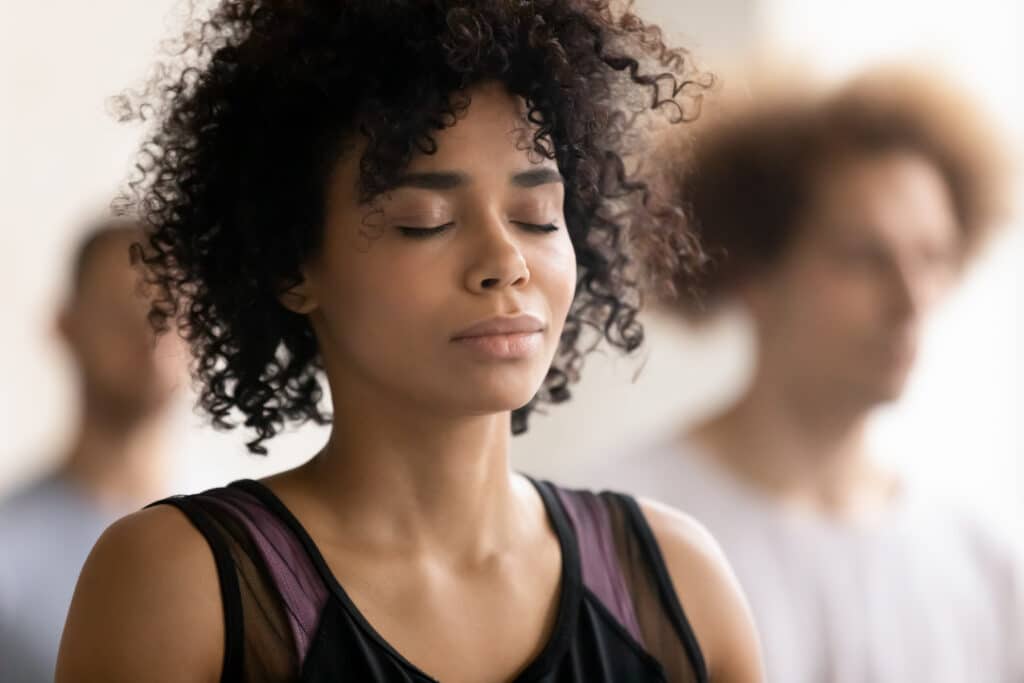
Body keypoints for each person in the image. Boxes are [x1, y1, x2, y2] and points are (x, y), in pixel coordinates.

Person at [56, 2, 764, 681]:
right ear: (291, 266)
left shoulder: (679, 590)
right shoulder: (183, 588)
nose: (506, 262)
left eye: (538, 216)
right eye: (426, 220)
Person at [579, 67, 1023, 682]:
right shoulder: (618, 535)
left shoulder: (981, 564)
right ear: (755, 273)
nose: (912, 299)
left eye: (932, 256)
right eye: (866, 257)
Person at [0, 219, 183, 682]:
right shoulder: (11, 549)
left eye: (168, 314)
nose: (149, 337)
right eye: (121, 311)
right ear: (66, 326)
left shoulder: (244, 540)